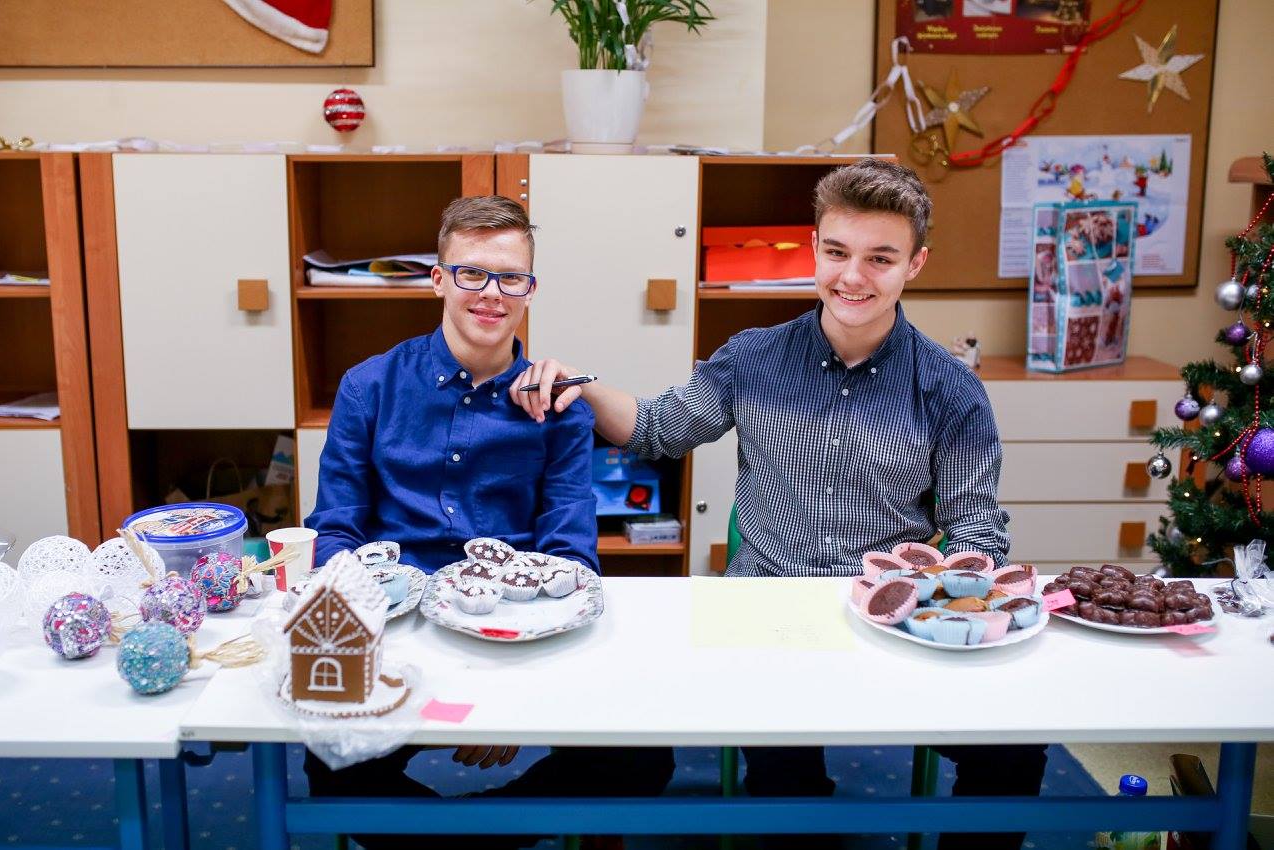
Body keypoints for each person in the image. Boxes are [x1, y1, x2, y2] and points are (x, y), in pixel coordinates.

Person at [511, 160, 1046, 850]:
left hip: (886, 618)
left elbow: (975, 524)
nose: (852, 276)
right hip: (764, 616)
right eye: (837, 252)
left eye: (880, 258)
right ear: (814, 248)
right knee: (785, 788)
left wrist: (950, 597)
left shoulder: (950, 388)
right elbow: (658, 428)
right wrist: (577, 385)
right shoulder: (753, 358)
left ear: (914, 264)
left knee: (1015, 750)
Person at [305, 195, 673, 849]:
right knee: (331, 764)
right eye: (472, 273)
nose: (491, 293)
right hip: (402, 631)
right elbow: (334, 530)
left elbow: (570, 553)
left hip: (519, 624)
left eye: (510, 277)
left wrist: (510, 686)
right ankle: (489, 836)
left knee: (642, 760)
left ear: (530, 289)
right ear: (438, 279)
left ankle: (475, 834)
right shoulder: (369, 387)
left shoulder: (559, 407)